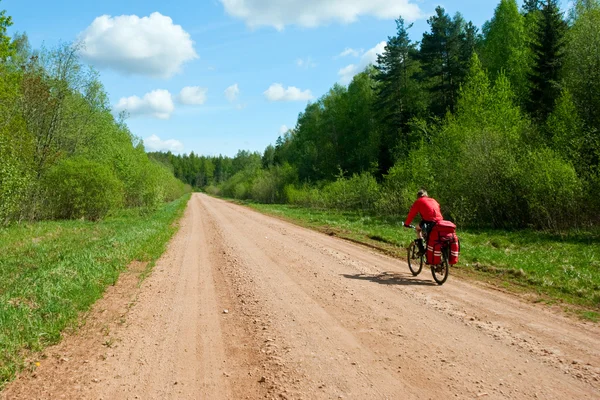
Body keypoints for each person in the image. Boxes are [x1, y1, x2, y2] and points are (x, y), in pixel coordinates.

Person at [403, 189, 443, 255]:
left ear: (418, 196)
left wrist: (406, 224)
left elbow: (411, 214)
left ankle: (421, 249)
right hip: (440, 221)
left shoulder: (418, 201)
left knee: (418, 229)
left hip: (429, 221)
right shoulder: (433, 200)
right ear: (426, 195)